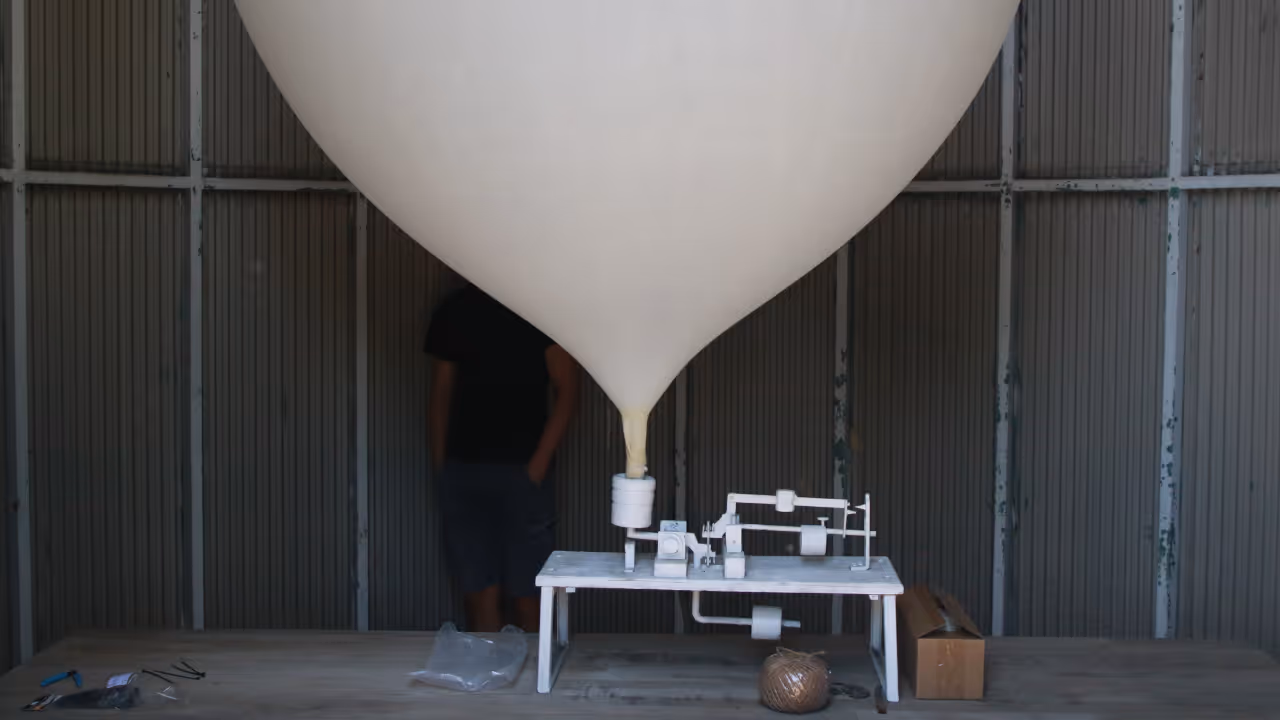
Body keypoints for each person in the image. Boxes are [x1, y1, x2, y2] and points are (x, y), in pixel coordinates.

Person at [425, 283, 579, 632]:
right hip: (464, 473)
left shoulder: (539, 311)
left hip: (522, 475)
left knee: (529, 599)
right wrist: (443, 467)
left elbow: (568, 390)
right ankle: (491, 683)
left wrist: (537, 467)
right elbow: (440, 393)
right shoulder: (456, 308)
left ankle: (531, 686)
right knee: (481, 597)